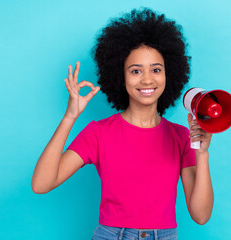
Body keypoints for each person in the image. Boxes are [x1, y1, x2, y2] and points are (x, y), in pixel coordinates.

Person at [31, 7, 214, 240]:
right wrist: (70, 116)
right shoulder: (98, 133)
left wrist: (203, 153)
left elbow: (200, 215)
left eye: (156, 70)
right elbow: (41, 184)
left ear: (169, 74)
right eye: (135, 71)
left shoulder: (182, 136)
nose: (147, 79)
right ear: (121, 76)